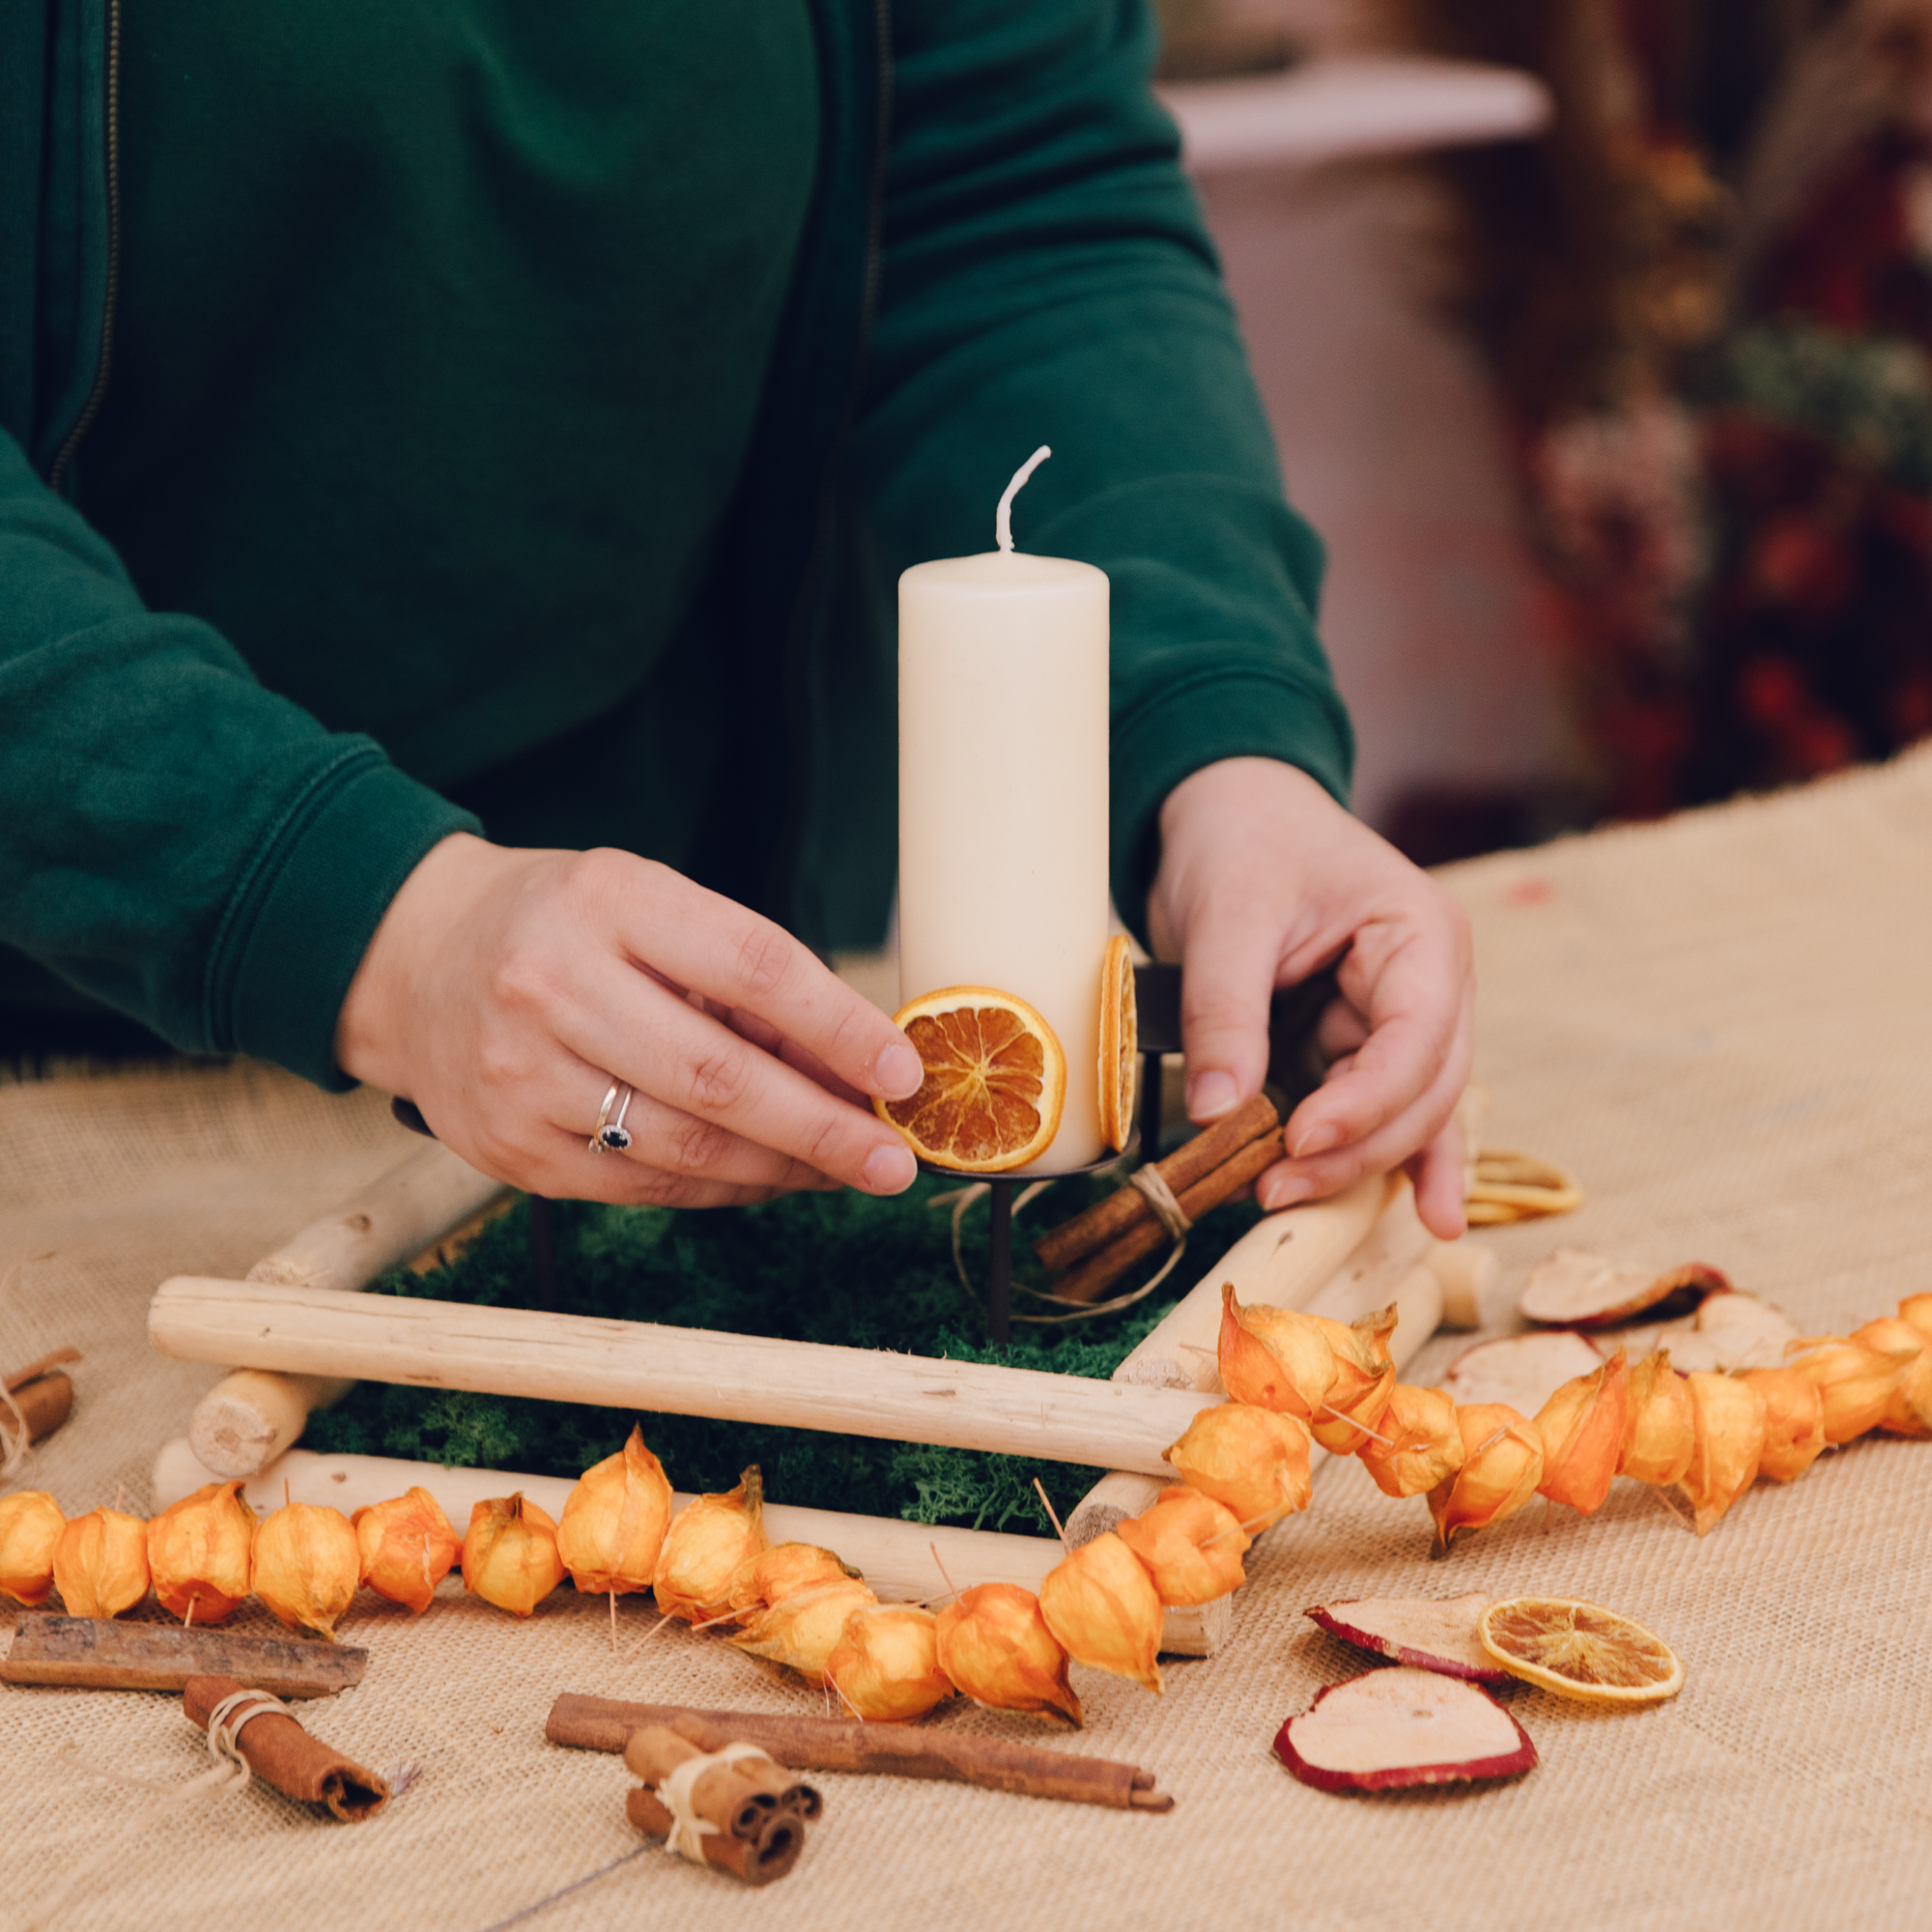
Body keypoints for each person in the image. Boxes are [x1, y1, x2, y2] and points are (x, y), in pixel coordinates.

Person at [0, 0, 1471, 1239]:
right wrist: (358, 913)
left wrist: (1218, 738)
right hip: (61, 1072)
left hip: (725, 1047)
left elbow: (1009, 197)